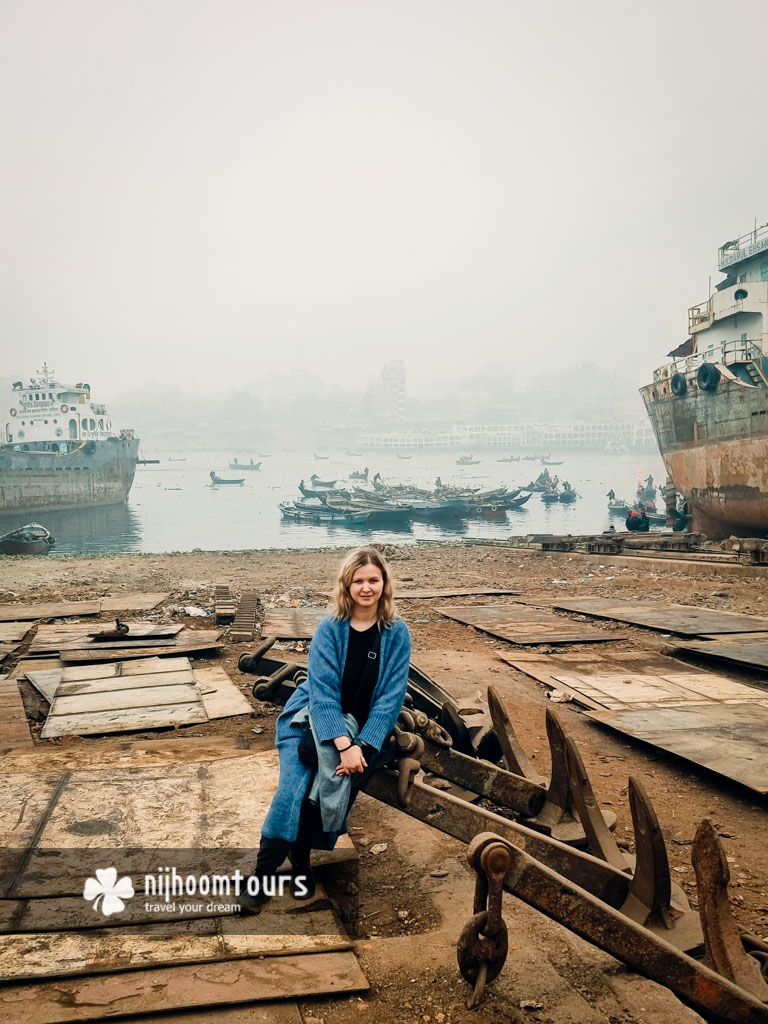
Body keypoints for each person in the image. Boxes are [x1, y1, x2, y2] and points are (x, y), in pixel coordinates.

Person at [238, 546, 411, 914]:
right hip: (310, 717)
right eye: (358, 581)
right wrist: (343, 744)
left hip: (364, 729)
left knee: (323, 795)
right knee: (294, 789)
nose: (366, 588)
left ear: (384, 584)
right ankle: (262, 874)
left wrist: (363, 745)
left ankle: (301, 864)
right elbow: (323, 694)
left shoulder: (397, 634)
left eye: (373, 580)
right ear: (346, 585)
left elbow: (390, 699)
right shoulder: (330, 629)